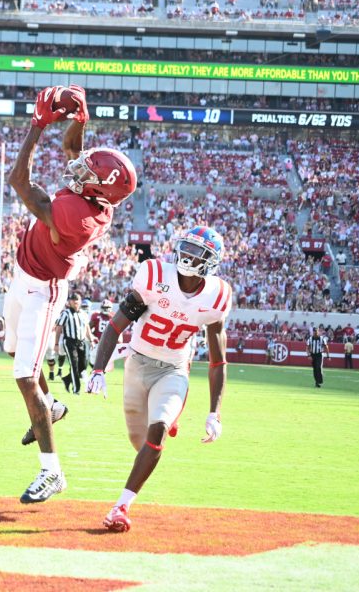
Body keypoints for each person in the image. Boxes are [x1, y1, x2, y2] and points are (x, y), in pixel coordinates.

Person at [4, 84, 137, 504]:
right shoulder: (95, 197)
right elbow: (71, 151)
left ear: (97, 191)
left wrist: (36, 125)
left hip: (44, 289)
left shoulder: (77, 217)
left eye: (87, 174)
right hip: (24, 276)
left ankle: (52, 472)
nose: (78, 171)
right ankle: (52, 407)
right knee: (16, 355)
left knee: (25, 376)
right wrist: (80, 119)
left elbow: (18, 181)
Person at [88, 227, 231, 532]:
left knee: (158, 431)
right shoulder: (155, 276)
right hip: (137, 364)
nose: (189, 257)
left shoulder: (216, 296)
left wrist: (214, 412)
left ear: (212, 261)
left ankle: (121, 506)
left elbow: (218, 360)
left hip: (173, 370)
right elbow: (116, 325)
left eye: (198, 253)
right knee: (139, 441)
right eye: (187, 249)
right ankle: (167, 417)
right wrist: (98, 369)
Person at [55, 293, 90, 395]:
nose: (75, 302)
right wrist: (56, 344)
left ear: (80, 301)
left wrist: (91, 339)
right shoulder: (65, 314)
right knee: (74, 365)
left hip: (82, 342)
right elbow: (59, 329)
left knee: (83, 366)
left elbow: (87, 328)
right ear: (69, 302)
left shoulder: (83, 313)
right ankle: (76, 390)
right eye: (73, 300)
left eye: (77, 300)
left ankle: (67, 379)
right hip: (70, 341)